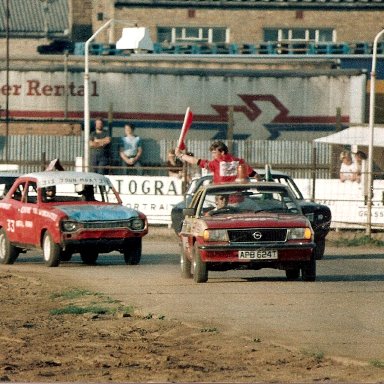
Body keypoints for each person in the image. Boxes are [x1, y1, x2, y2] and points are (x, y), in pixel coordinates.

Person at [175, 140, 258, 183]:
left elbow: (195, 161)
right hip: (239, 199)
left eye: (214, 153)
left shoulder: (215, 164)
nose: (213, 155)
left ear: (222, 152)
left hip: (221, 198)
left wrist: (180, 155)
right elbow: (254, 174)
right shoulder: (239, 162)